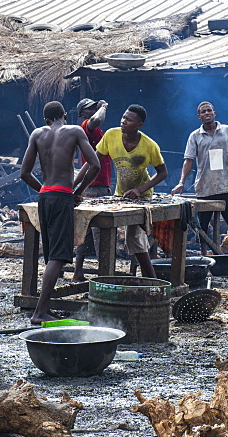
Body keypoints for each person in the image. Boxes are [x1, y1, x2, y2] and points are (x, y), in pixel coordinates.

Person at [21, 101, 101, 324]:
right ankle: (39, 312)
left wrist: (44, 190)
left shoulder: (37, 134)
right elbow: (95, 165)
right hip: (62, 196)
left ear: (46, 120)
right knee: (57, 256)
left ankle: (41, 310)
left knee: (52, 255)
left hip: (45, 197)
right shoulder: (75, 130)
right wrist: (78, 191)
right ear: (65, 115)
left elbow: (24, 173)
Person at [95, 104, 168, 279]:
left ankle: (151, 280)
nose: (123, 121)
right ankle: (107, 278)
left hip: (142, 198)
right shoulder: (111, 135)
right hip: (120, 195)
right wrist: (78, 186)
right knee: (104, 231)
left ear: (139, 125)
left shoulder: (150, 145)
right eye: (123, 117)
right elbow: (93, 162)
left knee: (134, 239)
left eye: (129, 119)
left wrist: (139, 189)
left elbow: (163, 173)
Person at [171, 101, 228, 254]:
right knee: (203, 227)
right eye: (203, 112)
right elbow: (188, 160)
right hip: (204, 189)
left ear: (214, 113)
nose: (207, 113)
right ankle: (204, 257)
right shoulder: (195, 136)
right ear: (199, 117)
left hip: (225, 186)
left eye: (209, 111)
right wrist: (181, 182)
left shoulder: (227, 130)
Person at [71, 98, 112, 282]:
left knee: (84, 232)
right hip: (96, 187)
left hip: (92, 186)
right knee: (100, 233)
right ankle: (103, 277)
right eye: (90, 108)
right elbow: (97, 119)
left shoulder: (94, 131)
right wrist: (103, 106)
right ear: (83, 114)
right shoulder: (87, 126)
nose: (94, 109)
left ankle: (78, 273)